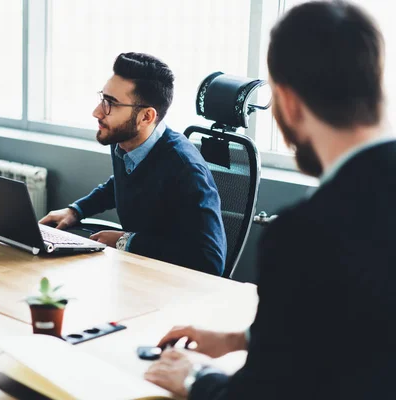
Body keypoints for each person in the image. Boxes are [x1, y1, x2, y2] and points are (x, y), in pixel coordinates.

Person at [145, 2, 396, 399]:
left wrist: (194, 378)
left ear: (289, 103)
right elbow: (364, 320)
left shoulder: (305, 234)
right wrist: (240, 338)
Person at [40, 53, 226, 276]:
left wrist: (125, 241)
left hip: (172, 290)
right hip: (135, 272)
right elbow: (121, 183)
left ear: (146, 117)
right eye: (103, 98)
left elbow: (210, 260)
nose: (97, 112)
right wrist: (76, 210)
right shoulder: (124, 138)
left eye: (111, 103)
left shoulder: (186, 170)